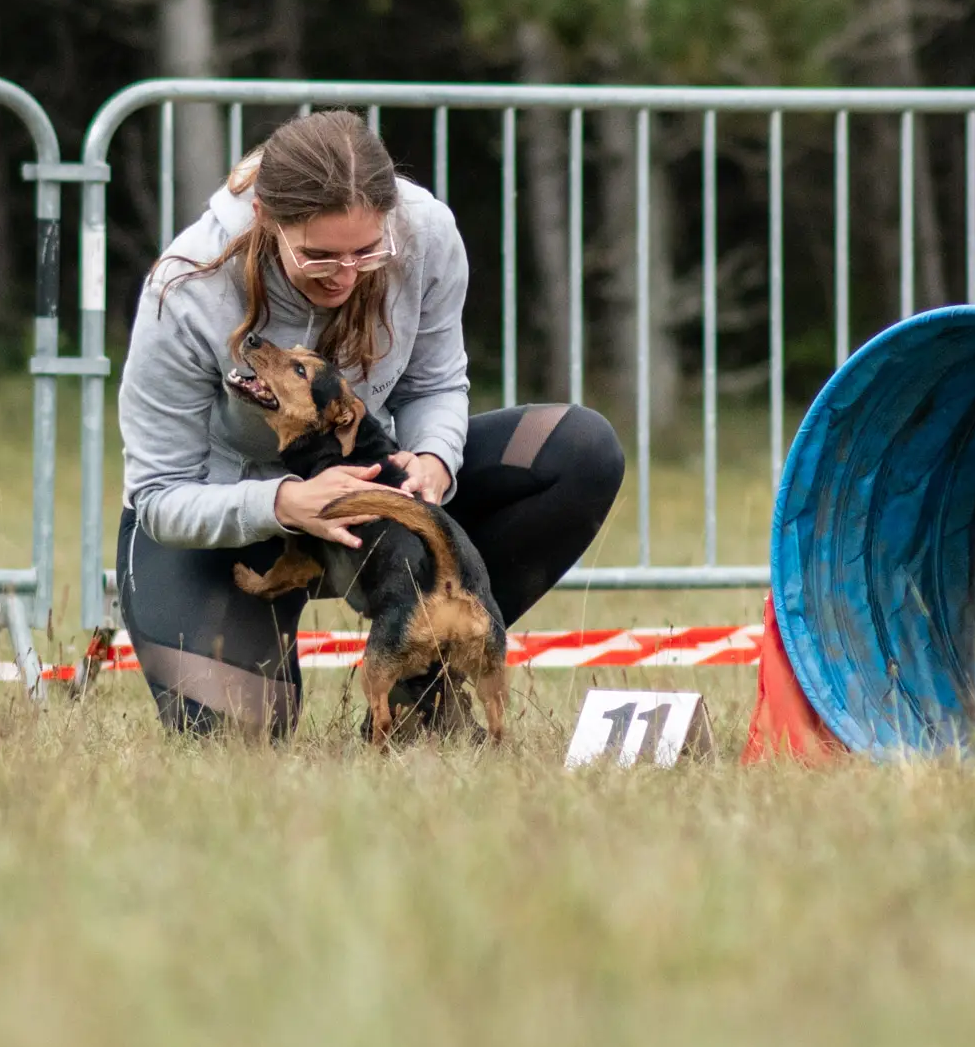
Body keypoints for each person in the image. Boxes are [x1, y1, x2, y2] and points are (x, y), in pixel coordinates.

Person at [116, 109, 625, 740]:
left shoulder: (428, 232)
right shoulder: (187, 287)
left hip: (379, 512)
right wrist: (285, 503)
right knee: (234, 740)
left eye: (367, 251)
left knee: (581, 450)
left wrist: (436, 460)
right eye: (320, 257)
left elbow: (436, 382)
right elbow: (159, 495)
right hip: (224, 520)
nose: (347, 274)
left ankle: (419, 690)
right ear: (268, 223)